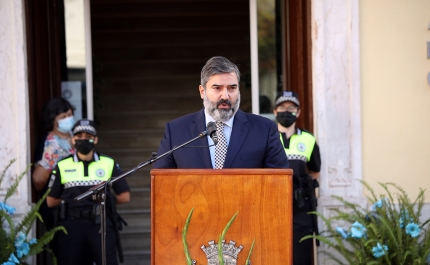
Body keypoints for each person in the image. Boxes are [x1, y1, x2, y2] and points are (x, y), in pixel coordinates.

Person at [153, 56, 289, 169]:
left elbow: (280, 183)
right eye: (217, 88)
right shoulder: (176, 131)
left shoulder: (264, 129)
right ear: (202, 91)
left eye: (232, 88)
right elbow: (161, 185)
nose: (225, 96)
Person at [46, 119, 130, 265]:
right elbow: (51, 201)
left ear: (95, 139)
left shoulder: (108, 163)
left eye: (88, 136)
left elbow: (124, 196)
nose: (83, 140)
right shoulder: (62, 165)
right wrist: (70, 201)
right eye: (79, 136)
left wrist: (106, 200)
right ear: (73, 140)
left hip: (101, 223)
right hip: (72, 226)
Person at [273, 91, 321, 265]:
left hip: (301, 207)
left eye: (291, 108)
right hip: (274, 206)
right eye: (282, 107)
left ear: (298, 112)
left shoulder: (308, 139)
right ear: (275, 111)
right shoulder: (267, 138)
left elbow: (315, 171)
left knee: (301, 257)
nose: (287, 111)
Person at [32, 97, 75, 261]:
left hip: (75, 205)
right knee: (64, 252)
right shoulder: (49, 142)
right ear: (53, 120)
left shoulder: (73, 138)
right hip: (57, 207)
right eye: (63, 116)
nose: (68, 119)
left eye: (69, 114)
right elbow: (38, 179)